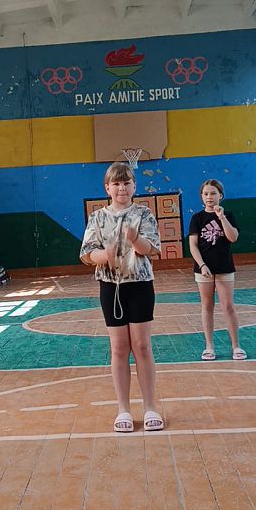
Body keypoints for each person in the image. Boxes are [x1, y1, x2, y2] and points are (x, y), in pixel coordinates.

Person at [80, 162, 164, 433]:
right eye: (116, 183)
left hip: (140, 285)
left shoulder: (144, 214)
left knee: (142, 346)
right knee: (118, 348)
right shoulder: (97, 218)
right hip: (110, 288)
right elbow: (87, 254)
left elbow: (151, 249)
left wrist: (135, 239)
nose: (121, 188)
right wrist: (106, 255)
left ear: (134, 186)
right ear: (107, 188)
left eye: (126, 183)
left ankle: (150, 407)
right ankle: (123, 410)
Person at [188, 178, 247, 362]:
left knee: (228, 306)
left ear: (220, 195)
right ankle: (209, 346)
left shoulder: (228, 215)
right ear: (201, 196)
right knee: (207, 306)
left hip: (224, 267)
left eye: (213, 193)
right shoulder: (197, 218)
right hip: (204, 269)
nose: (209, 197)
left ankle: (236, 346)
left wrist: (221, 217)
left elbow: (233, 237)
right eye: (205, 194)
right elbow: (193, 245)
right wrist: (202, 265)